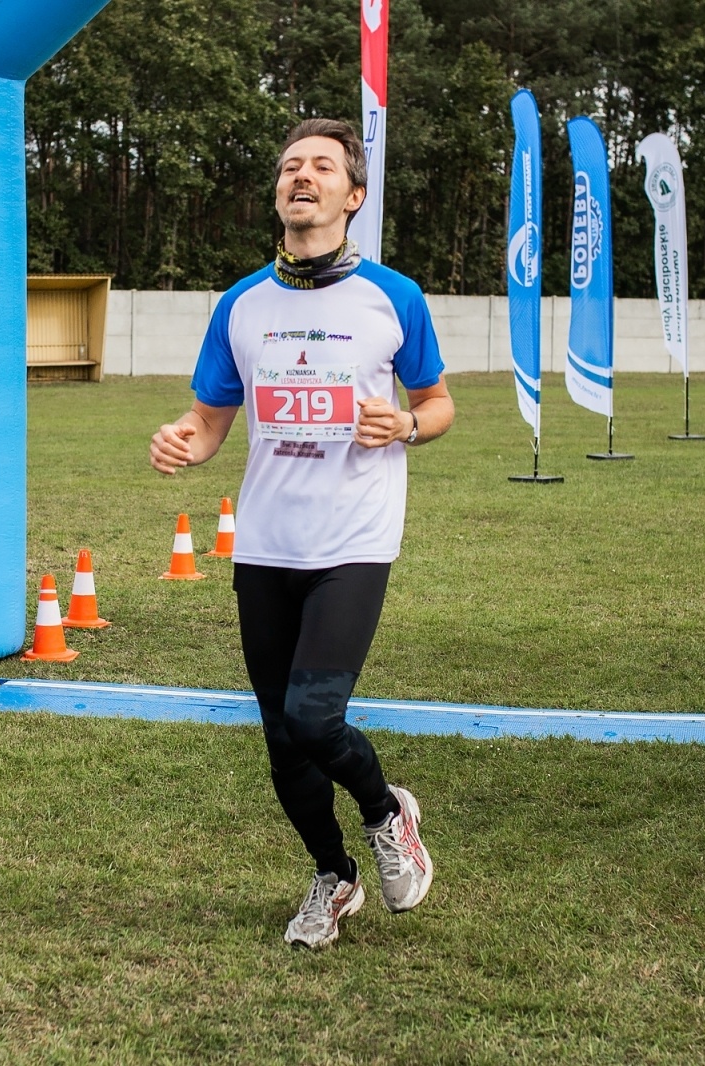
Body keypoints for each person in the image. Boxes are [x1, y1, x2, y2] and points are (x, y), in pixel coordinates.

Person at [148, 118, 455, 949]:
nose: (302, 176)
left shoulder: (394, 297)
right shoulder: (243, 304)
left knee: (316, 717)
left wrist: (408, 427)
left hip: (353, 541)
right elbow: (212, 420)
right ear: (279, 193)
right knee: (283, 738)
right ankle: (334, 875)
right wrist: (183, 438)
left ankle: (390, 815)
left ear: (353, 197)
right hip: (264, 545)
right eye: (290, 166)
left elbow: (439, 404)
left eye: (322, 166)